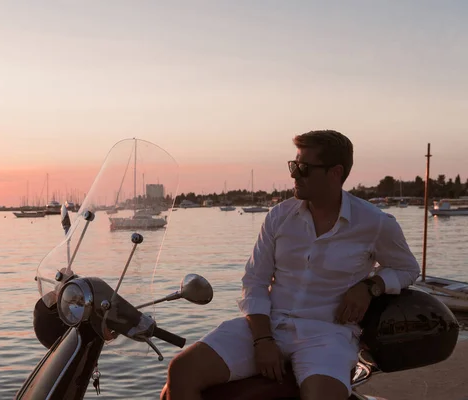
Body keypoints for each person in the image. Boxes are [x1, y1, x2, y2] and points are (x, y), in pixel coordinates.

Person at [161, 130, 420, 400]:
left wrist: (371, 286)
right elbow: (255, 282)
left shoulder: (375, 222)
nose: (294, 174)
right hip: (268, 324)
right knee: (181, 371)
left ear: (335, 173)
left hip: (327, 335)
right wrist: (262, 340)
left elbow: (407, 269)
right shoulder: (279, 217)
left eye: (303, 168)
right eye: (293, 165)